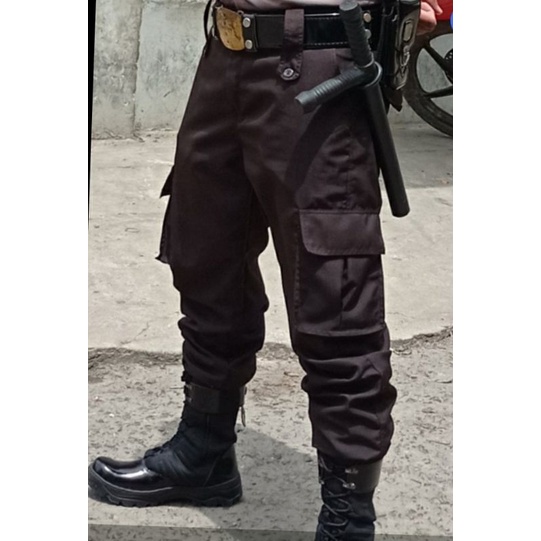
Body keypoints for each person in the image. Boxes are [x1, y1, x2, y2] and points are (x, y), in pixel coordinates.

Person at [88, 1, 442, 539]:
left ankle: (348, 516)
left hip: (323, 57)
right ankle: (204, 451)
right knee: (206, 256)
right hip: (227, 52)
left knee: (334, 294)